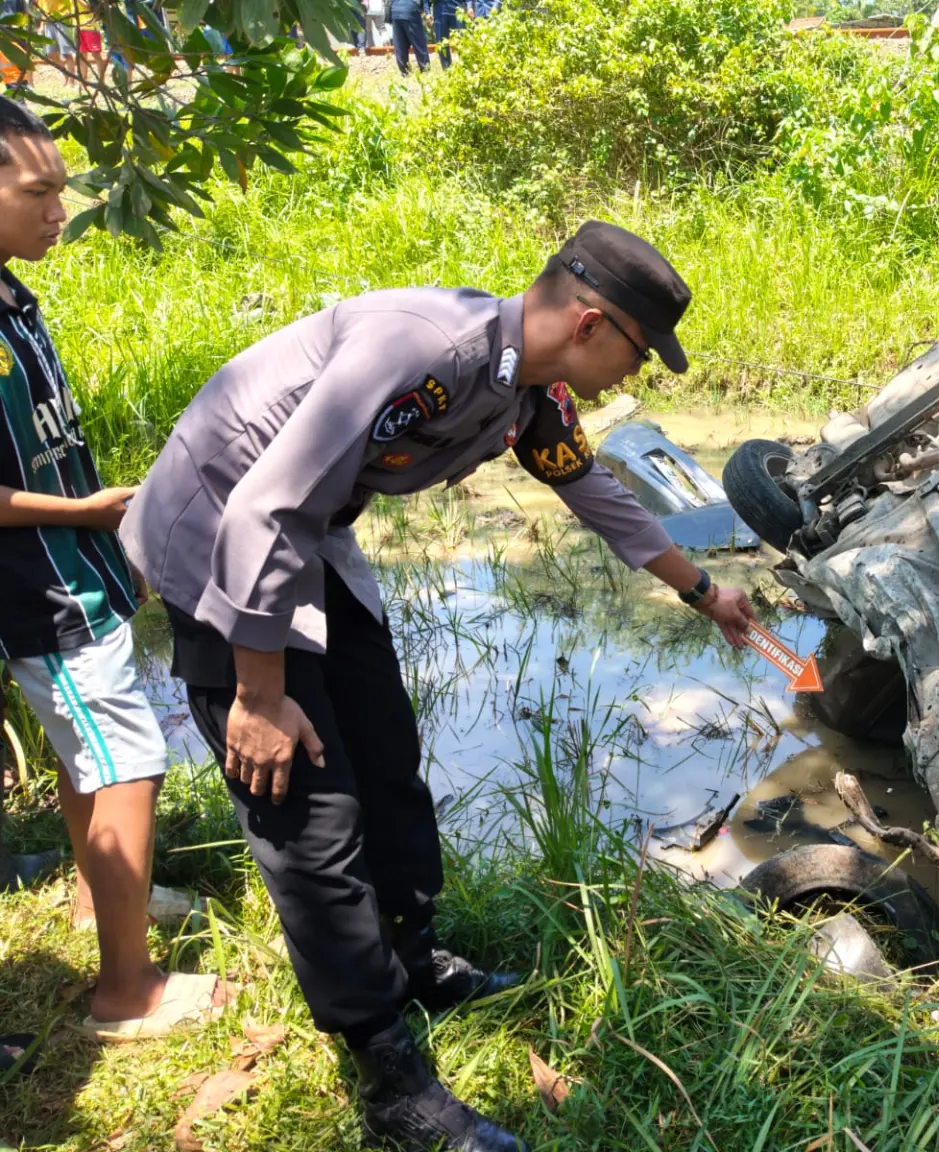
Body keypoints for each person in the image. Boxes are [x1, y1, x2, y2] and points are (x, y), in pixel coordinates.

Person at [122, 221, 757, 1152]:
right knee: (308, 809)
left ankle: (412, 957)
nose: (638, 373)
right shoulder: (425, 350)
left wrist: (704, 592)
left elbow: (592, 489)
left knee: (386, 754)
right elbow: (265, 505)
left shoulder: (526, 394)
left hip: (308, 536)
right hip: (221, 528)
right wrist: (257, 696)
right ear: (590, 323)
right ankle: (390, 1079)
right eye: (638, 351)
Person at [0, 97, 228, 1041]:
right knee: (129, 756)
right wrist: (85, 514)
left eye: (64, 190)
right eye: (38, 191)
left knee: (82, 752)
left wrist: (103, 537)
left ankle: (104, 905)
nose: (61, 209)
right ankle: (125, 992)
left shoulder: (12, 296)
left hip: (75, 566)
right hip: (41, 590)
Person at [389, 0, 428, 74]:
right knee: (419, 42)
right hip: (410, 9)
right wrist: (425, 11)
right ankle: (425, 69)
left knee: (400, 44)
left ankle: (404, 72)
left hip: (395, 11)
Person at [430, 0, 455, 68]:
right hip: (440, 10)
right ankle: (447, 69)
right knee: (441, 42)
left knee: (463, 40)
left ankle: (466, 67)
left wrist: (469, 6)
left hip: (457, 8)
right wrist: (427, 12)